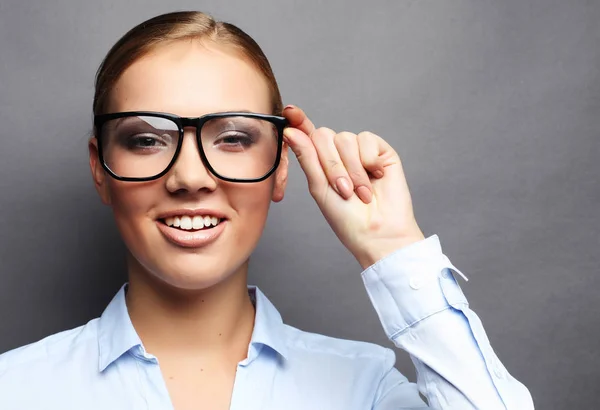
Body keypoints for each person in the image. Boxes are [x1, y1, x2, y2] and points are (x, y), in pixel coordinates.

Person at [0, 10, 534, 410]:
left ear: (282, 166)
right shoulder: (17, 390)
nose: (190, 177)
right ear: (100, 167)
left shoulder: (364, 389)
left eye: (232, 138)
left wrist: (392, 249)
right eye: (146, 140)